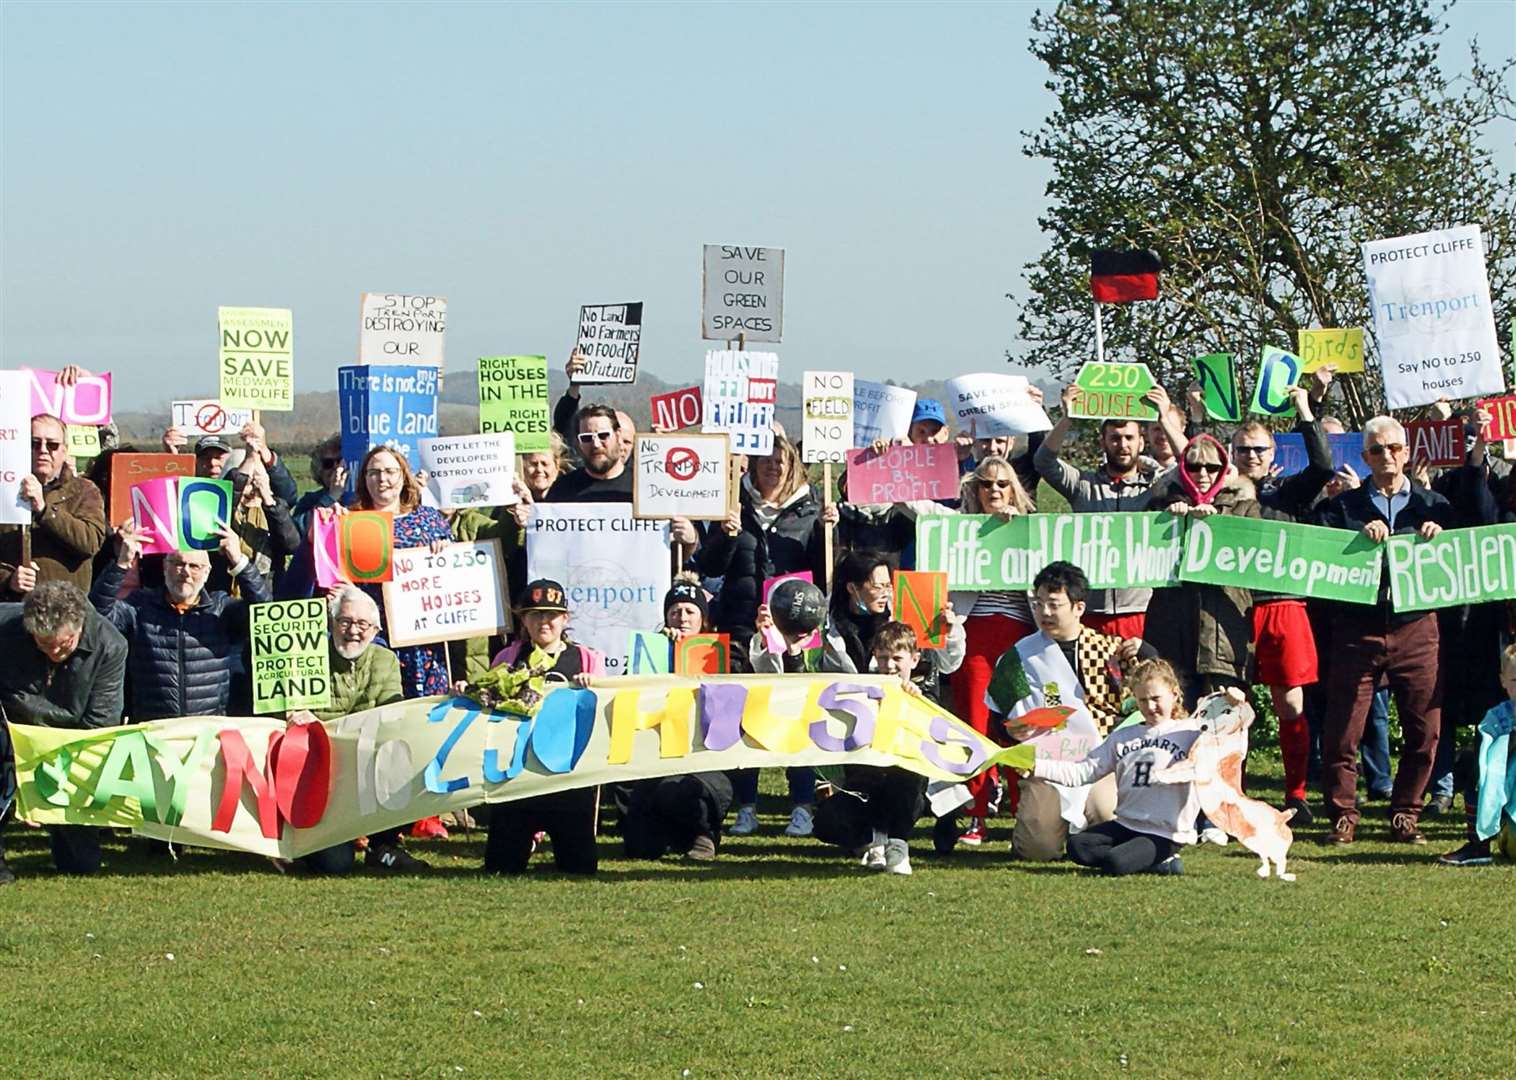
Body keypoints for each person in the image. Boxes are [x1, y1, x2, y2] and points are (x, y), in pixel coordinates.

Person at [1313, 416, 1456, 844]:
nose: (1387, 457)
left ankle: (1405, 813)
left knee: (1425, 729)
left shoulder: (1435, 506)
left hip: (1417, 626)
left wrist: (1439, 536)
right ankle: (1343, 814)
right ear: (1365, 457)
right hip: (1359, 628)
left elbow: (1462, 555)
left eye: (1394, 448)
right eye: (1377, 450)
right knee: (1343, 729)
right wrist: (1357, 536)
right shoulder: (1342, 508)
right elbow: (1320, 550)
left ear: (1407, 452)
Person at [984, 561, 1149, 861]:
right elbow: (997, 715)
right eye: (1038, 604)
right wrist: (1009, 729)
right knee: (1038, 849)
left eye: (1054, 604)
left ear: (1078, 607)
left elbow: (1144, 697)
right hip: (1046, 764)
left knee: (1109, 817)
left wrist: (1146, 651)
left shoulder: (1108, 649)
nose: (1044, 612)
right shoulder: (1019, 655)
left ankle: (1083, 835)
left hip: (1099, 761)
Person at [1228, 375, 1338, 822]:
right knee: (1232, 708)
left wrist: (1306, 410)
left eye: (1259, 449)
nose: (1251, 456)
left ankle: (1296, 794)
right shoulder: (1218, 498)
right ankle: (1232, 793)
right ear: (1232, 455)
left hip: (1283, 606)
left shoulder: (1288, 495)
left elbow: (1324, 467)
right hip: (1232, 610)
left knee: (1290, 705)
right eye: (1243, 450)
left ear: (1274, 454)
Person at [919, 456, 1038, 846]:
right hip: (974, 639)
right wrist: (885, 462)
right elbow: (915, 506)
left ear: (1014, 488)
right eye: (986, 484)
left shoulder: (1033, 530)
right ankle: (976, 811)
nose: (995, 491)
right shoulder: (958, 527)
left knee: (1022, 724)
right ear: (975, 489)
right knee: (973, 724)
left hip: (1021, 636)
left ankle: (1024, 809)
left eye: (1002, 483)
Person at [1021, 660, 1222, 876]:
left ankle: (1165, 857)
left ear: (1174, 694)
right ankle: (1148, 859)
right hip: (1127, 825)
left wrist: (1233, 702)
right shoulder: (1122, 737)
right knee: (1078, 846)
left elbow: (1233, 730)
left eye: (1156, 699)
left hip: (1165, 832)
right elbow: (1083, 772)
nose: (1150, 706)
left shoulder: (1192, 733)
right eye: (1143, 700)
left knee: (1114, 863)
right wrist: (1036, 766)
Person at [0, 581, 128, 882]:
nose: (54, 652)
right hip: (9, 724)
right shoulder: (6, 626)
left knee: (81, 863)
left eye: (64, 644)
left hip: (71, 741)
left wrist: (40, 786)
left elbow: (99, 723)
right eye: (43, 644)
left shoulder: (110, 645)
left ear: (79, 626)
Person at [91, 516, 269, 720]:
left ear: (207, 572)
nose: (185, 572)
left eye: (194, 566)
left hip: (208, 733)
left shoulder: (222, 609)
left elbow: (265, 616)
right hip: (154, 731)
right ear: (164, 567)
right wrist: (122, 563)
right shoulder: (139, 607)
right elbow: (97, 619)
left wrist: (239, 562)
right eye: (177, 563)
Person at [483, 580, 604, 875]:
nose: (543, 622)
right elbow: (487, 704)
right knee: (500, 868)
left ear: (565, 619)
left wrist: (595, 687)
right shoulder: (506, 659)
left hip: (568, 782)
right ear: (523, 618)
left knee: (580, 869)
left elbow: (604, 715)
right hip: (517, 780)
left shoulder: (588, 659)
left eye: (551, 615)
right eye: (535, 614)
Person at [621, 578, 734, 862]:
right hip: (657, 753)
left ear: (703, 619)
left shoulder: (723, 655)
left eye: (689, 611)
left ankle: (704, 834)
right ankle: (672, 833)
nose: (681, 618)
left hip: (705, 759)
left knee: (684, 789)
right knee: (639, 848)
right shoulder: (649, 652)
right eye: (675, 611)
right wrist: (666, 651)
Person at [1145, 432, 1260, 708]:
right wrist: (1169, 522)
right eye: (1194, 467)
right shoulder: (1161, 504)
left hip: (1223, 631)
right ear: (1183, 469)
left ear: (1224, 470)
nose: (1203, 474)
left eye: (1212, 467)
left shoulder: (1245, 506)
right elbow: (1144, 554)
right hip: (1171, 629)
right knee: (1173, 716)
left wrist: (1217, 524)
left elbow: (1253, 556)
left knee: (1224, 718)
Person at [1034, 383, 1157, 638]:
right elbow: (1043, 461)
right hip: (1089, 611)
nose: (1122, 444)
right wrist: (1068, 419)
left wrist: (1164, 417)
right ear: (1103, 442)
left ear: (1142, 442)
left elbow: (1189, 466)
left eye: (1129, 438)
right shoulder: (1082, 484)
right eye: (1114, 438)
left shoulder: (1156, 487)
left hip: (1140, 609)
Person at [300, 586, 407, 873]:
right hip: (320, 777)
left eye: (362, 624)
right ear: (331, 624)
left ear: (375, 630)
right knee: (334, 866)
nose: (352, 631)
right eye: (345, 621)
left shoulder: (386, 661)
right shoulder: (306, 659)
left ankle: (385, 843)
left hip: (367, 769)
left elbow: (391, 714)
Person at [0, 412, 109, 595]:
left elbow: (90, 542)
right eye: (34, 443)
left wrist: (45, 510)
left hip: (66, 611)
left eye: (52, 445)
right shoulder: (4, 490)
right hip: (13, 612)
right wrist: (8, 581)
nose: (43, 450)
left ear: (64, 451)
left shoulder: (84, 490)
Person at [1438, 644, 1516, 866]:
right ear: (1503, 681)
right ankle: (1478, 845)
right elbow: (1489, 752)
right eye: (1515, 681)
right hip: (1505, 779)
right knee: (1474, 767)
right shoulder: (1498, 715)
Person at [290, 434, 347, 534]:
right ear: (319, 469)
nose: (336, 468)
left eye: (340, 462)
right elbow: (296, 531)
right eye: (328, 464)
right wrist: (331, 498)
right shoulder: (309, 500)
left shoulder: (359, 498)